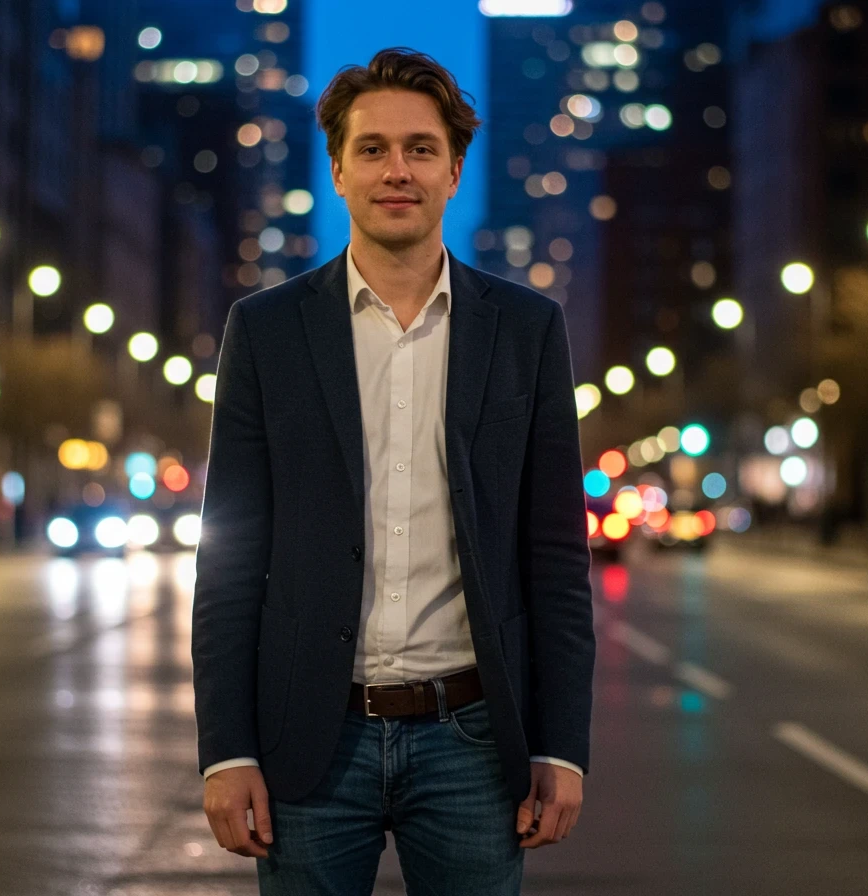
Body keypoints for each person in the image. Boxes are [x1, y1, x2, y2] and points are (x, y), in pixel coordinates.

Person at [192, 47, 595, 895]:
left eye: (421, 149)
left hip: (475, 743)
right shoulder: (264, 331)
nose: (396, 170)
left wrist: (561, 744)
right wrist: (226, 751)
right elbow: (229, 561)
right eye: (372, 149)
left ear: (454, 169)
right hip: (309, 740)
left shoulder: (527, 330)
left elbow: (556, 558)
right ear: (337, 169)